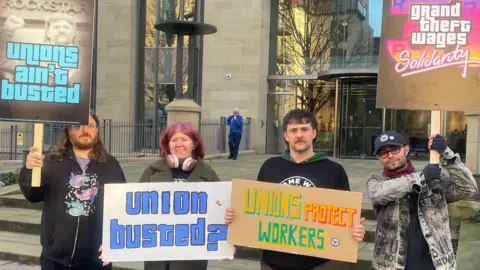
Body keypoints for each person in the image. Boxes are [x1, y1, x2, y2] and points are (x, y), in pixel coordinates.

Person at [224, 109, 366, 270]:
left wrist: (355, 231)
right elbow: (256, 211)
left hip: (319, 264)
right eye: (293, 130)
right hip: (273, 263)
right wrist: (235, 216)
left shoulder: (334, 171)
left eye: (304, 129)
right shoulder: (270, 166)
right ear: (286, 135)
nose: (299, 135)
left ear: (313, 133)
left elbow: (345, 217)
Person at [19, 110, 127, 270]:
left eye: (90, 125)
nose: (85, 130)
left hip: (97, 258)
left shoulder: (110, 164)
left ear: (97, 131)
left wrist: (114, 241)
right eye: (79, 125)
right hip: (56, 259)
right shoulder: (52, 162)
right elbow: (33, 195)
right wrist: (29, 170)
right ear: (69, 131)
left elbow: (122, 206)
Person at [366, 131, 478, 270]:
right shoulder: (376, 182)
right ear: (379, 158)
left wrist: (446, 154)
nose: (390, 156)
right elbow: (379, 194)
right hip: (390, 265)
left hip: (434, 263)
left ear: (406, 149)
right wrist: (421, 177)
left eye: (394, 149)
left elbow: (468, 188)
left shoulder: (433, 180)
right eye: (383, 153)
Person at [139, 121, 222, 270]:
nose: (179, 144)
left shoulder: (208, 173)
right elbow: (132, 208)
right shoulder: (151, 171)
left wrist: (226, 242)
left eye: (184, 139)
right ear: (167, 145)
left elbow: (221, 208)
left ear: (194, 144)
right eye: (174, 140)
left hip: (191, 255)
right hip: (157, 254)